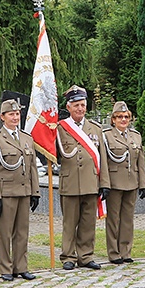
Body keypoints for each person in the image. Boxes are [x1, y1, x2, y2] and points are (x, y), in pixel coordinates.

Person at [0, 99, 39, 281]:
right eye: (11, 114)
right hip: (6, 193)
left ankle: (21, 267)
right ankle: (6, 268)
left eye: (17, 114)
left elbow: (32, 168)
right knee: (4, 233)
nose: (15, 117)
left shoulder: (26, 138)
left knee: (22, 231)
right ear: (2, 117)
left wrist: (35, 192)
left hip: (24, 192)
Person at [56, 85, 109, 270]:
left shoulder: (95, 128)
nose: (80, 109)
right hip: (70, 182)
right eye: (76, 105)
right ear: (68, 107)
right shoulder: (60, 128)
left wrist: (105, 184)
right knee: (69, 223)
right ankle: (68, 257)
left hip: (91, 182)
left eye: (83, 105)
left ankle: (85, 256)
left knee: (88, 223)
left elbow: (103, 158)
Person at [102, 101, 145, 264]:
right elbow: (104, 162)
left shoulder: (136, 136)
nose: (123, 119)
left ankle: (125, 251)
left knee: (127, 219)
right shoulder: (106, 136)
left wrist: (143, 184)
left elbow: (140, 163)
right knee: (113, 219)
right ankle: (114, 253)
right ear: (113, 119)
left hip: (131, 182)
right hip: (114, 183)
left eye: (126, 116)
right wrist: (104, 184)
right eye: (119, 117)